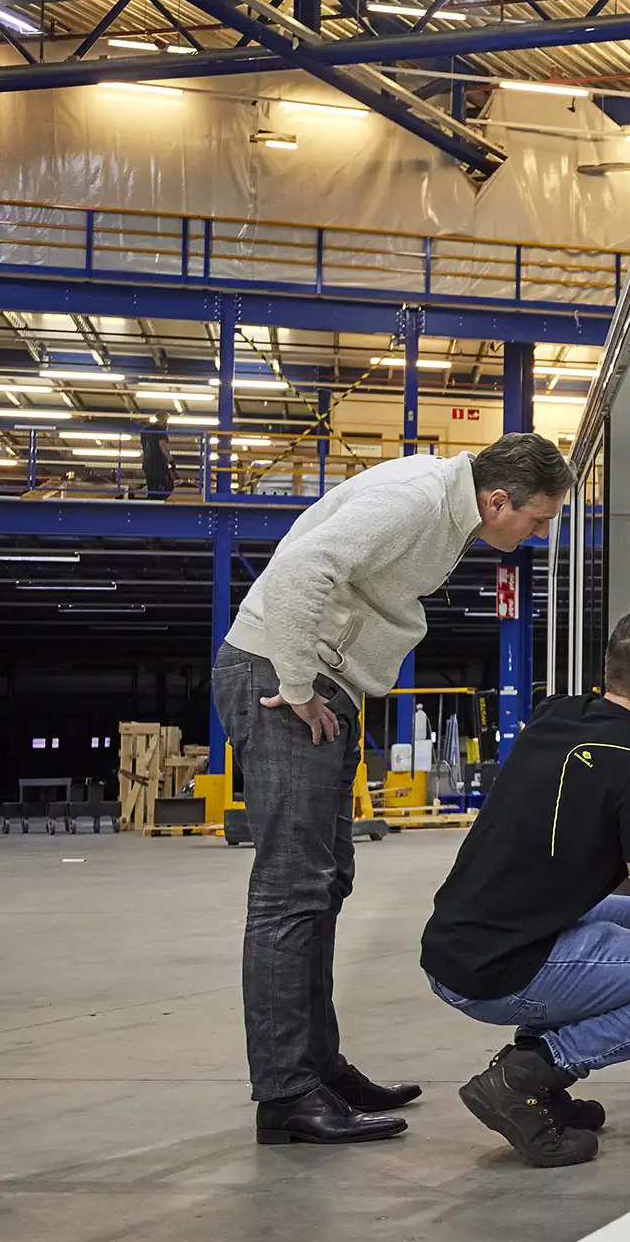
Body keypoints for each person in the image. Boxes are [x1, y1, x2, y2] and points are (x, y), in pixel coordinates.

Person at [213, 431, 572, 1146]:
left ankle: (317, 1069)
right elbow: (302, 569)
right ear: (498, 501)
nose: (538, 534)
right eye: (536, 520)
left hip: (324, 684)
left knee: (324, 881)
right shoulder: (416, 502)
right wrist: (294, 682)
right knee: (292, 888)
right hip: (282, 684)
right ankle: (286, 1096)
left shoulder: (445, 503)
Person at [421, 607, 630, 1168]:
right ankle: (535, 1069)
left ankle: (536, 1085)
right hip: (494, 974)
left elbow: (603, 761)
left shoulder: (558, 715)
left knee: (615, 914)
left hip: (456, 944)